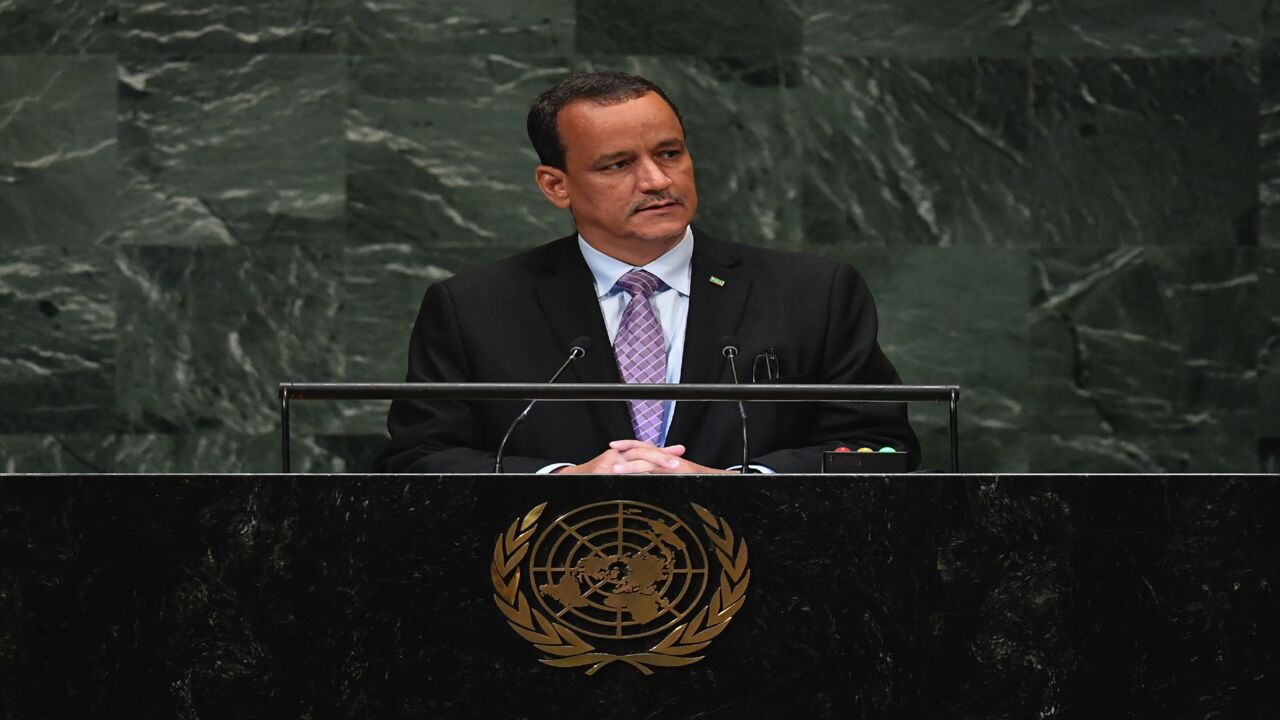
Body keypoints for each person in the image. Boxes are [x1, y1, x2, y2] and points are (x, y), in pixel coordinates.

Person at [375, 71, 919, 475]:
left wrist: (738, 484)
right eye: (618, 165)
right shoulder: (474, 307)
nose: (657, 180)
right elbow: (418, 456)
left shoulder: (813, 293)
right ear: (555, 185)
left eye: (670, 153)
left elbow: (882, 448)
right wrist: (563, 479)